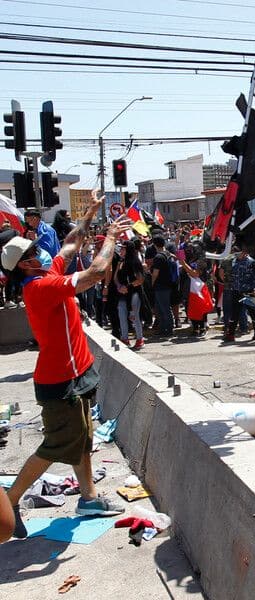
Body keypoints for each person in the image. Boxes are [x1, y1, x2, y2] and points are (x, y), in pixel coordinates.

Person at [0, 195, 132, 540]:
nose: (39, 251)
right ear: (25, 266)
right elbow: (97, 272)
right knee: (58, 445)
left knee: (84, 438)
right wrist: (112, 238)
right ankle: (10, 500)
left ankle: (88, 498)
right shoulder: (40, 287)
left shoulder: (47, 271)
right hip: (60, 382)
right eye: (31, 252)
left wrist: (90, 212)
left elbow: (71, 243)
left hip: (77, 373)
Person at [223, 243, 255, 342]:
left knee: (252, 312)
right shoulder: (234, 261)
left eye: (238, 253)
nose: (236, 254)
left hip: (248, 291)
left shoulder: (251, 262)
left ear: (244, 252)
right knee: (234, 313)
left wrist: (254, 290)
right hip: (236, 290)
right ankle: (231, 334)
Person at [114, 240, 146, 349]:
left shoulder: (135, 261)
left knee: (134, 316)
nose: (121, 250)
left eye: (123, 248)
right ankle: (124, 338)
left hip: (134, 293)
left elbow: (140, 279)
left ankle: (140, 338)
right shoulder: (121, 261)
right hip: (122, 294)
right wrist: (119, 286)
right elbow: (115, 277)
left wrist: (127, 287)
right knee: (121, 314)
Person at [149, 236, 175, 336]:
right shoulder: (168, 254)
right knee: (161, 308)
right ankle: (163, 328)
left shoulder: (158, 257)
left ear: (155, 245)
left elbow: (155, 273)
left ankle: (168, 329)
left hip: (160, 286)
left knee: (163, 308)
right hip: (168, 284)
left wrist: (152, 283)